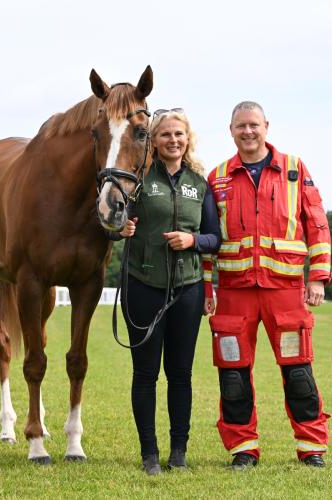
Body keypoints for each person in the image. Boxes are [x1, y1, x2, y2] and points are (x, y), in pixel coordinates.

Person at [204, 101, 332, 470]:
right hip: (233, 292)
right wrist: (207, 288)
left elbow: (317, 224)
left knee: (298, 371)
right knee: (233, 374)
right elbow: (209, 238)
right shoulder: (218, 177)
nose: (248, 132)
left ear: (266, 126)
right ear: (231, 130)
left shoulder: (295, 169)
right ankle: (243, 447)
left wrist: (319, 277)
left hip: (286, 290)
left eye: (254, 125)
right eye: (241, 126)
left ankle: (311, 446)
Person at [116, 108, 221, 474]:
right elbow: (113, 219)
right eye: (165, 135)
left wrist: (192, 239)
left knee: (181, 374)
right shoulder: (140, 178)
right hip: (143, 286)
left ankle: (179, 452)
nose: (173, 140)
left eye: (179, 134)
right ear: (154, 141)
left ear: (187, 138)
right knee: (145, 375)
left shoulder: (199, 183)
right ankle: (149, 454)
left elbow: (215, 239)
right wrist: (121, 228)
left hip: (187, 290)